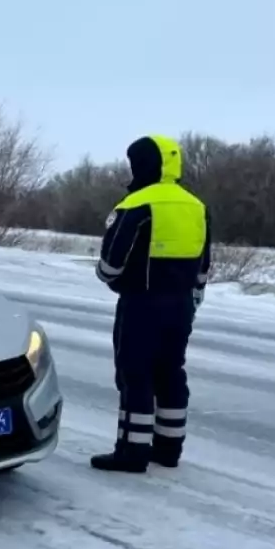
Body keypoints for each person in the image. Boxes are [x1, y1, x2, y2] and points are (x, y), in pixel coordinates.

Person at [91, 134, 211, 473]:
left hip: (142, 304)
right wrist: (194, 295)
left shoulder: (136, 205)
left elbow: (111, 264)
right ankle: (168, 449)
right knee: (171, 372)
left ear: (142, 164)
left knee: (135, 373)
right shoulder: (197, 206)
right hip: (182, 305)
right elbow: (204, 263)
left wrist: (107, 276)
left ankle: (132, 451)